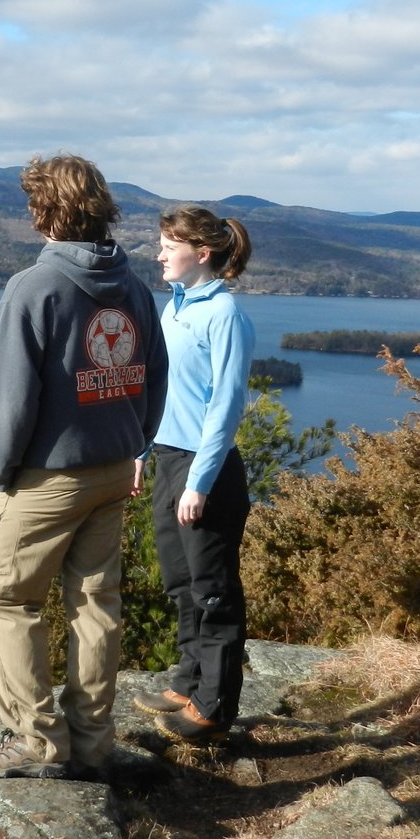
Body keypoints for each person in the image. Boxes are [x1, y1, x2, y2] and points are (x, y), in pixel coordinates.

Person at [0, 153, 169, 780]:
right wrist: (136, 443)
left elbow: (12, 400)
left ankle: (37, 741)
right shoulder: (132, 286)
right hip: (113, 467)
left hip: (49, 478)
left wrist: (2, 475)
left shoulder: (34, 287)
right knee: (95, 601)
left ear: (42, 210)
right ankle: (93, 742)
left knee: (2, 594)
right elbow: (155, 378)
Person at [132, 205, 256, 744]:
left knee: (214, 591)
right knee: (181, 583)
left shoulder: (223, 315)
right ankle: (187, 683)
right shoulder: (175, 307)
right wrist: (140, 450)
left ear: (200, 253)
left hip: (206, 468)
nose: (158, 254)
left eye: (167, 245)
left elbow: (225, 408)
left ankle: (214, 708)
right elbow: (161, 390)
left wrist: (199, 483)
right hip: (167, 457)